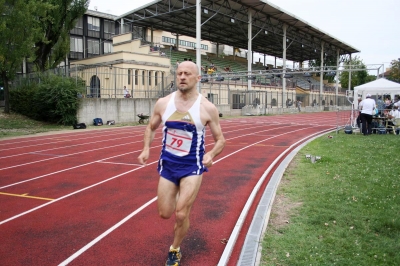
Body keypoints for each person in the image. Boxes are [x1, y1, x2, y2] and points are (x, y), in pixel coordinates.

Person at [137, 61, 226, 266]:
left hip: (192, 167)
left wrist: (211, 154)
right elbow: (150, 127)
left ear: (198, 78)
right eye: (179, 74)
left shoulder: (207, 108)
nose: (182, 77)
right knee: (164, 213)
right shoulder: (163, 103)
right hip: (168, 165)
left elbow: (221, 140)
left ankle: (174, 249)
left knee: (181, 213)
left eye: (187, 74)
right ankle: (179, 201)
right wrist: (145, 149)